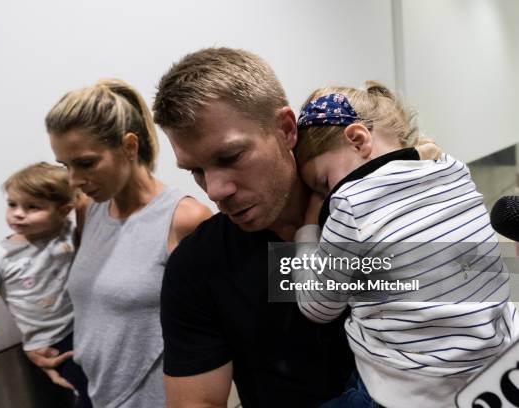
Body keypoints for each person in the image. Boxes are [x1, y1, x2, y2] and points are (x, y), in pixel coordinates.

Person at [151, 47, 357, 407]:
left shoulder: (377, 219)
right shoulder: (197, 265)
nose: (215, 191)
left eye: (230, 157)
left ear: (286, 129)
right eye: (195, 171)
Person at [291, 82, 518, 407]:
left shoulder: (351, 203)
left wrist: (307, 231)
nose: (326, 196)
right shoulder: (454, 170)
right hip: (497, 358)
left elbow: (316, 308)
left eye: (323, 183)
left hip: (411, 388)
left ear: (358, 140)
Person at [28, 78, 211, 407]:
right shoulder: (90, 209)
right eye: (65, 166)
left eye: (86, 163)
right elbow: (99, 301)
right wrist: (44, 343)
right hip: (96, 394)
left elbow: (216, 331)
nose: (74, 180)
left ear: (129, 146)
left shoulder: (183, 219)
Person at [0, 162, 92, 408]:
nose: (18, 213)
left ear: (64, 210)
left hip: (88, 327)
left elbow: (84, 201)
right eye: (12, 204)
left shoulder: (68, 233)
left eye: (32, 207)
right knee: (88, 393)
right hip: (51, 342)